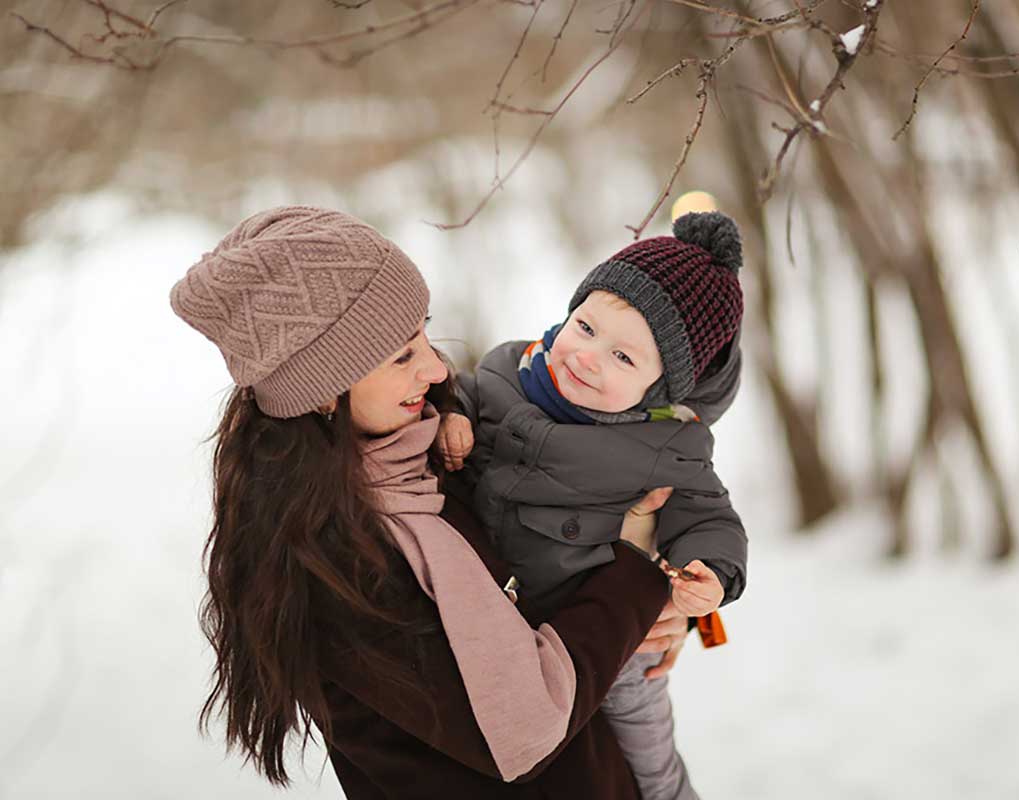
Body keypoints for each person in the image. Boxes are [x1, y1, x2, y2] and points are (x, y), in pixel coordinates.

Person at [170, 205, 689, 799]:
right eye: (401, 355)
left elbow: (549, 588)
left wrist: (653, 613)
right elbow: (518, 735)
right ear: (319, 393)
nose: (437, 365)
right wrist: (625, 572)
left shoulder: (431, 454)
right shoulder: (333, 566)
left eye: (423, 332)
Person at [436, 211, 749, 800]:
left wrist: (711, 580)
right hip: (502, 627)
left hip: (608, 637)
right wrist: (452, 414)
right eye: (584, 327)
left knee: (646, 753)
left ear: (659, 391)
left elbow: (709, 518)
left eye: (623, 358)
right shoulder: (507, 371)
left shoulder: (668, 447)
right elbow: (454, 392)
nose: (586, 356)